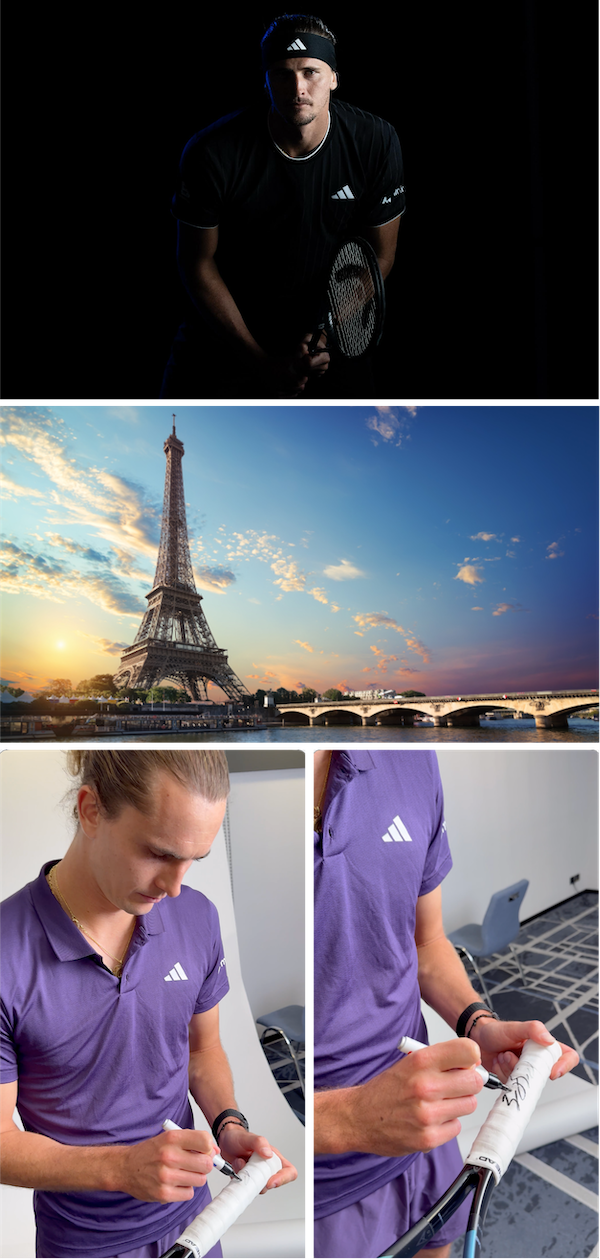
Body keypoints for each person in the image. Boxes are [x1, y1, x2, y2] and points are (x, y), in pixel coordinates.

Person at [0, 749, 297, 1260]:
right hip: (84, 1245)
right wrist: (120, 1169)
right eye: (160, 853)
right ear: (90, 810)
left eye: (192, 861)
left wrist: (229, 1125)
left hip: (199, 1222)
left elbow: (202, 1051)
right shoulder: (5, 952)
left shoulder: (197, 916)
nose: (175, 885)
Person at [311, 749, 579, 1260]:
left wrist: (478, 1023)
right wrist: (349, 1117)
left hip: (429, 1127)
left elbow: (425, 943)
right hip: (325, 1182)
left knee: (440, 1247)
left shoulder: (414, 758)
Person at [159, 14, 405, 402]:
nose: (298, 88)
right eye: (282, 73)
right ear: (265, 80)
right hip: (228, 332)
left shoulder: (375, 140)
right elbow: (196, 263)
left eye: (311, 72)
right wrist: (258, 359)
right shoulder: (213, 152)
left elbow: (379, 253)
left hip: (328, 325)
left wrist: (326, 334)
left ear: (334, 78)